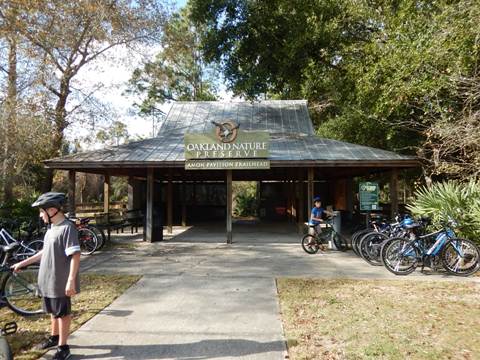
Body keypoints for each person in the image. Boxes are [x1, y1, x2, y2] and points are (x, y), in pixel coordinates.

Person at [11, 192, 80, 360]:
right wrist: (22, 263)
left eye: (42, 212)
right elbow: (44, 252)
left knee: (63, 314)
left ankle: (64, 348)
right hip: (48, 280)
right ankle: (54, 337)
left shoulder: (67, 228)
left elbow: (75, 255)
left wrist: (70, 280)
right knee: (52, 311)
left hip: (60, 281)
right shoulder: (52, 228)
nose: (41, 216)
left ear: (52, 210)